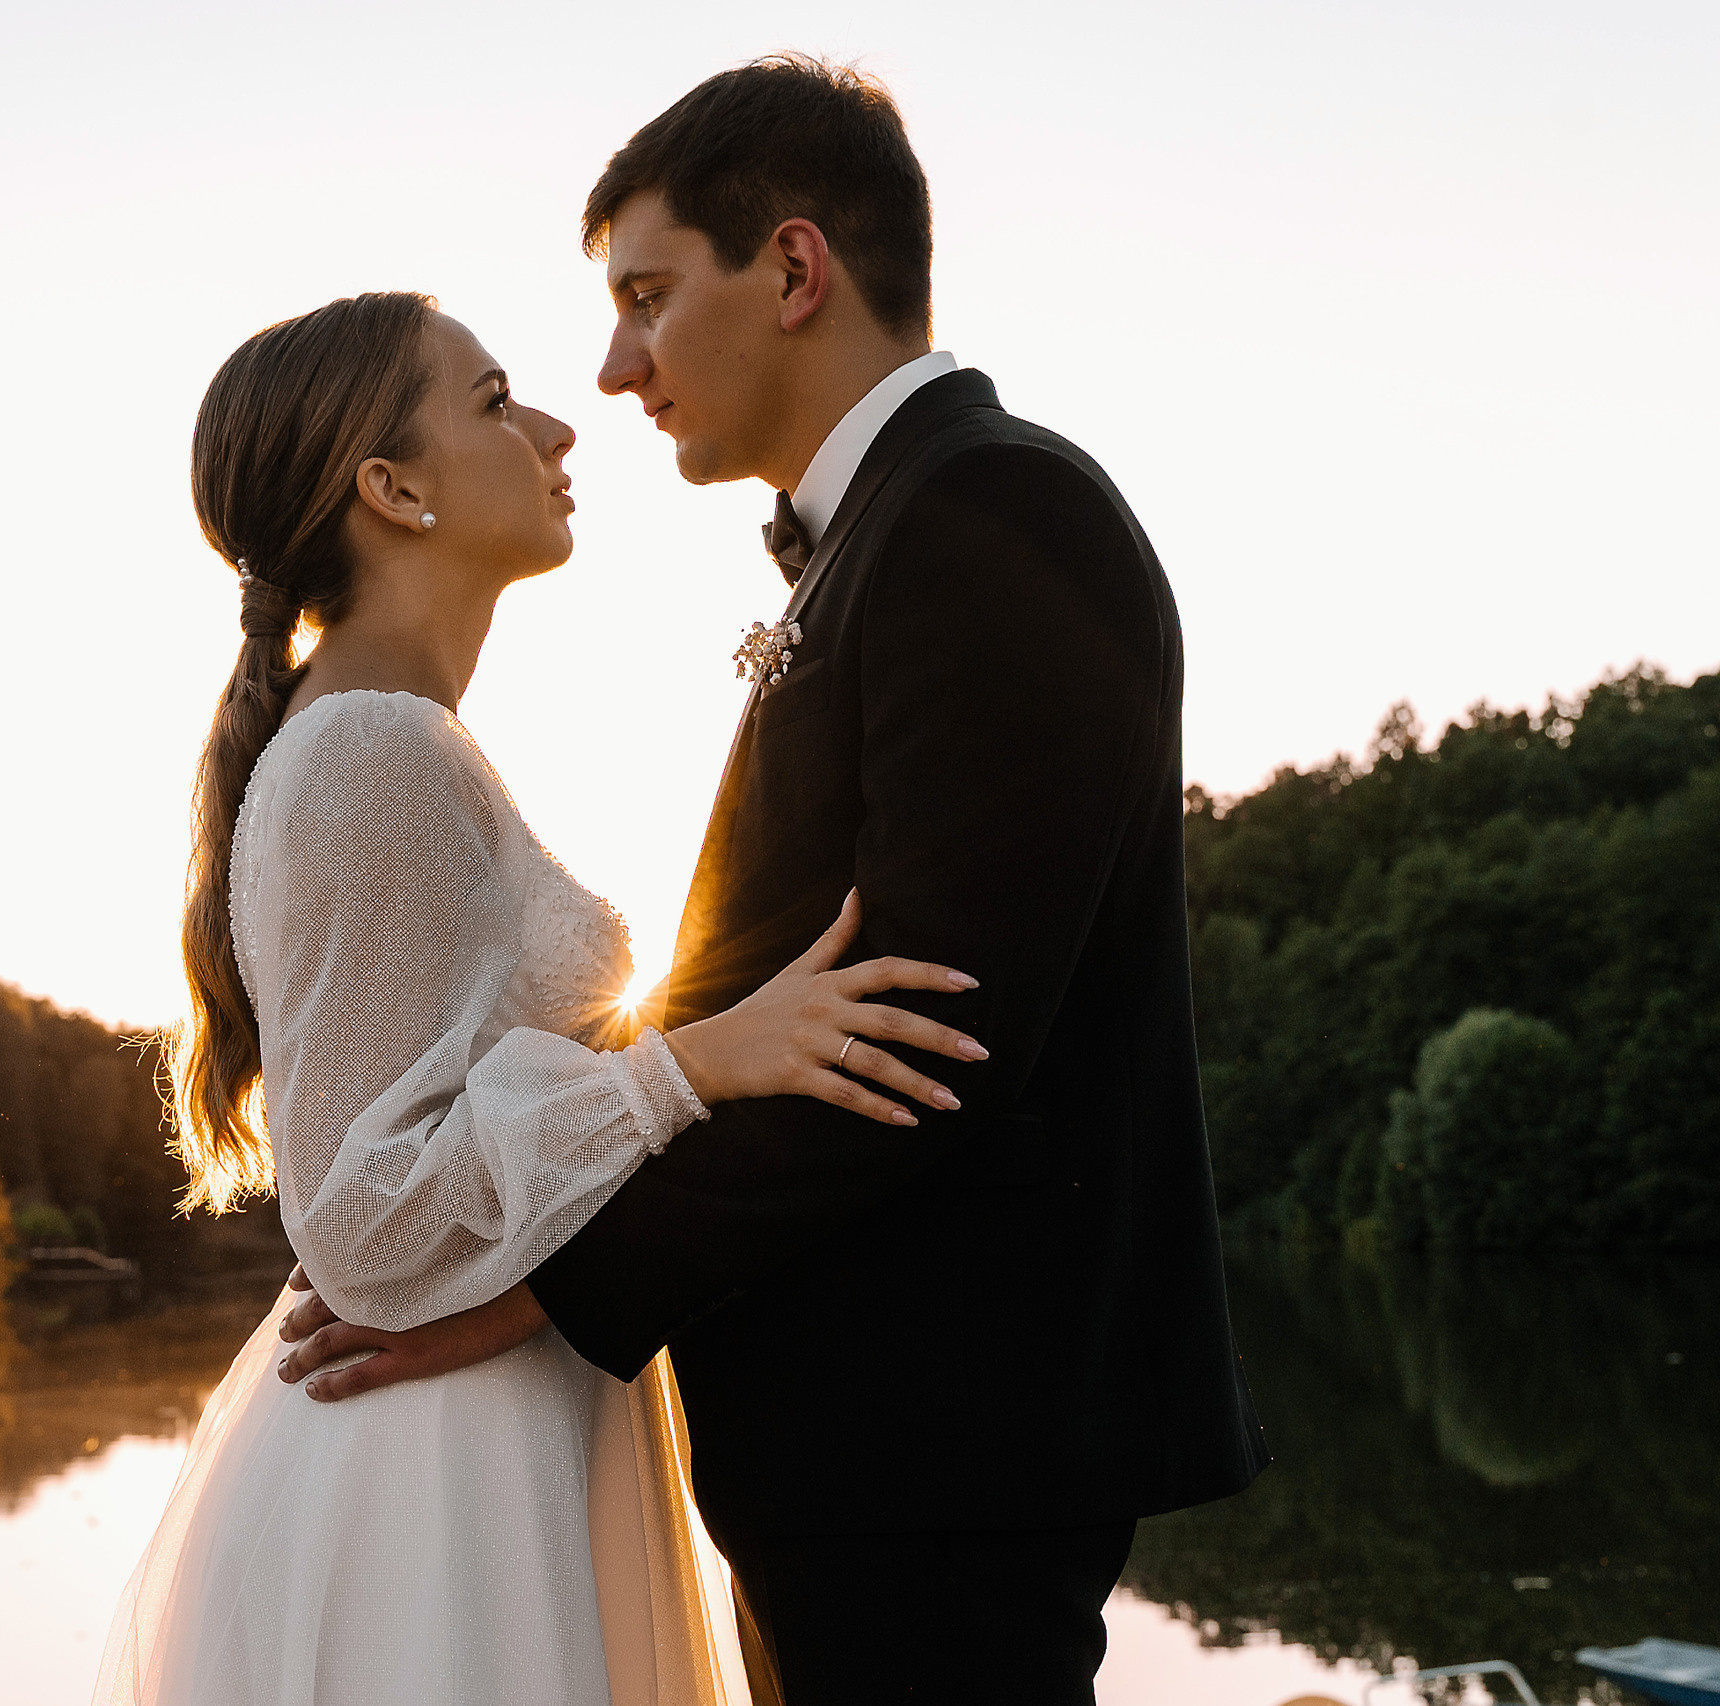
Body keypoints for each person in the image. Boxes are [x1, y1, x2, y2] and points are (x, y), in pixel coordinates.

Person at [271, 58, 1269, 1705]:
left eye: (648, 296)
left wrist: (547, 1290)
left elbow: (922, 1034)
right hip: (857, 1449)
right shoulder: (899, 527)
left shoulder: (993, 512)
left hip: (943, 1446)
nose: (616, 365)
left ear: (795, 270)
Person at [94, 290, 987, 1706]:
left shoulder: (395, 740)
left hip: (474, 1430)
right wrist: (687, 1069)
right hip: (432, 1482)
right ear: (392, 488)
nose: (563, 423)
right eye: (496, 398)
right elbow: (364, 1219)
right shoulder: (371, 750)